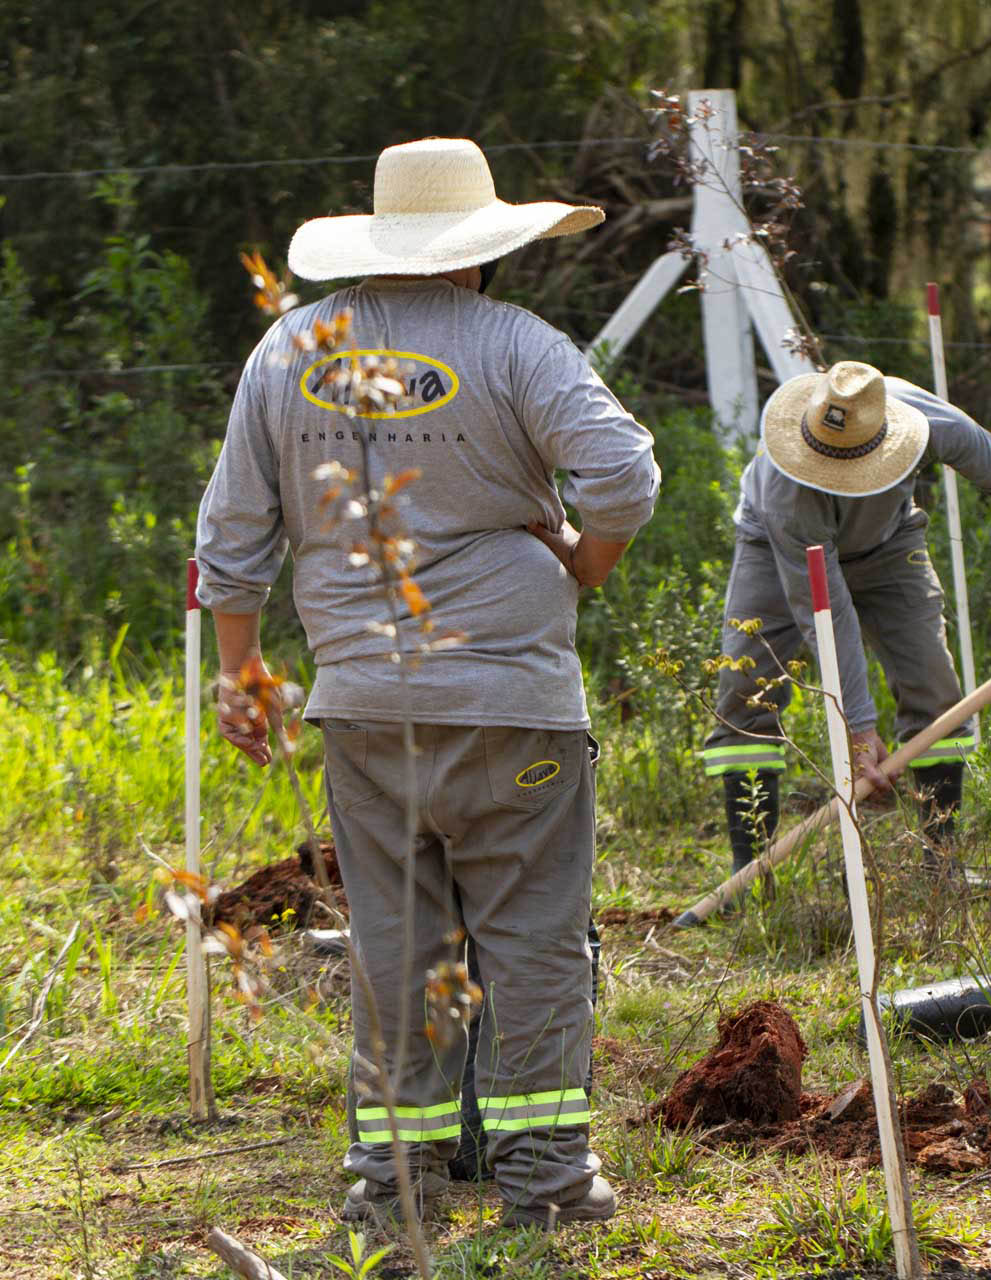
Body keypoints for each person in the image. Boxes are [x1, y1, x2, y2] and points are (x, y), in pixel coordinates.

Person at [196, 137, 660, 1227]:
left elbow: (233, 533)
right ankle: (545, 1180)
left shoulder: (287, 351)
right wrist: (582, 565)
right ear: (481, 251)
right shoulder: (518, 345)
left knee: (397, 943)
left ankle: (393, 1186)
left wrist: (238, 673)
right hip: (509, 702)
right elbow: (625, 475)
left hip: (362, 706)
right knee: (532, 937)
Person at [701, 360, 991, 873]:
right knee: (744, 685)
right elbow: (824, 611)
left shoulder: (931, 423)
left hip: (889, 543)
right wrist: (858, 727)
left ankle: (941, 862)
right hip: (774, 548)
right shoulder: (787, 493)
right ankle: (750, 874)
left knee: (933, 682)